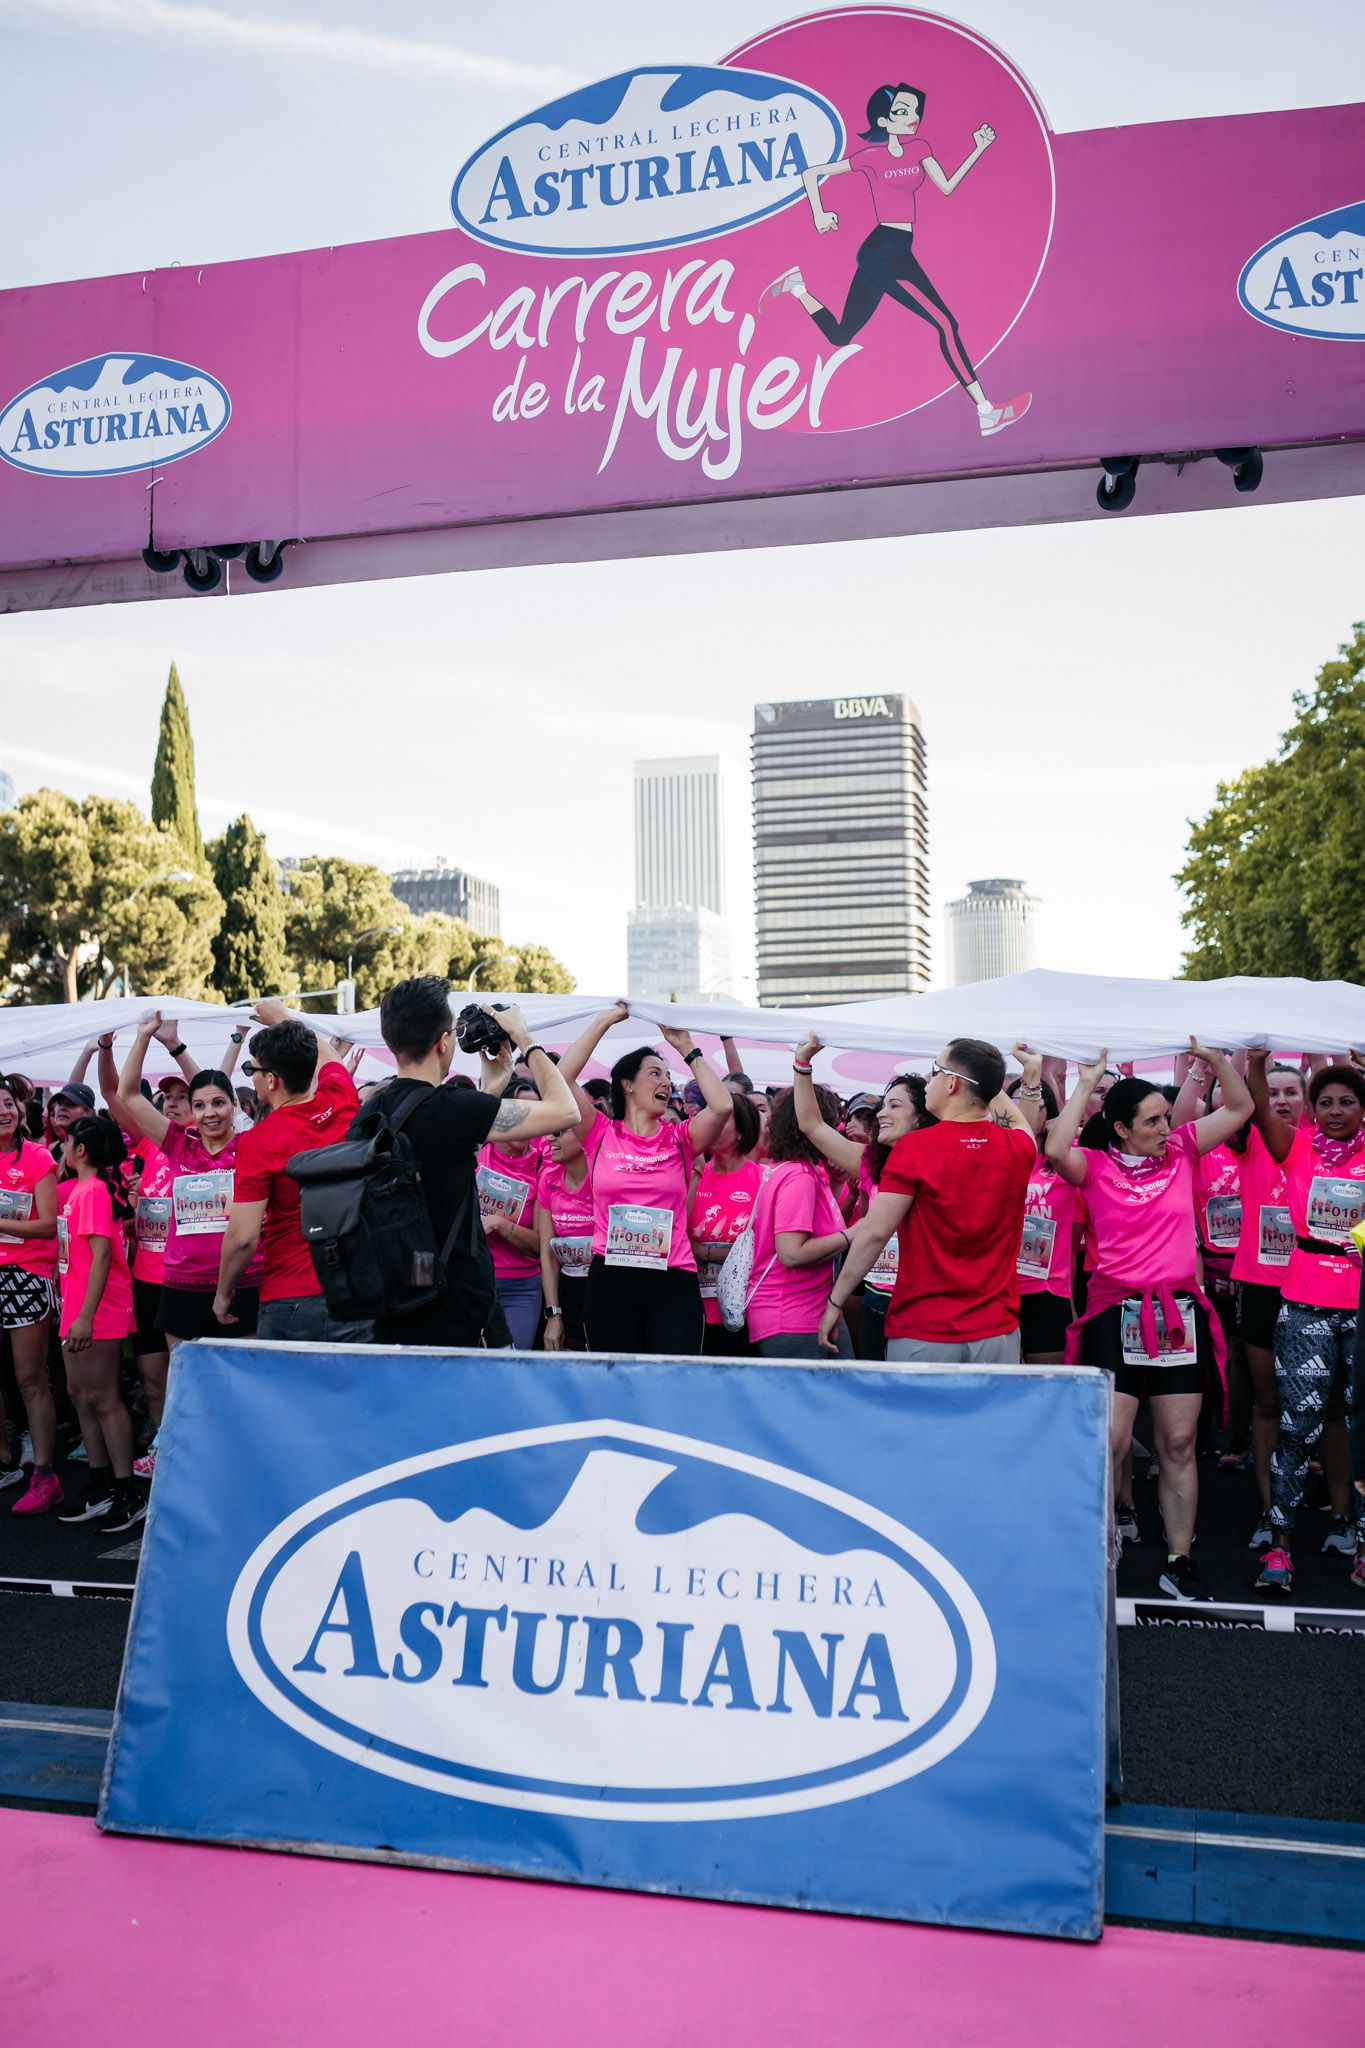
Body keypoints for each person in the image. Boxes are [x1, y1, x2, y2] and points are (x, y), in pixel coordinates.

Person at [1046, 1043, 1253, 1604]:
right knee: (1109, 1441)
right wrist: (1086, 1083)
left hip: (1176, 1314)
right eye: (1154, 1120)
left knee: (1180, 1443)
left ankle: (1178, 1561)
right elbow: (1056, 1145)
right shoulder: (1094, 1167)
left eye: (1167, 1117)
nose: (1168, 1126)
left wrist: (1214, 1059)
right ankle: (1098, 1542)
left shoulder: (1184, 1150)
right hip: (1115, 1312)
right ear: (1120, 1128)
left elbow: (1237, 1108)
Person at [761, 82, 1028, 438]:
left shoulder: (920, 148)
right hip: (881, 250)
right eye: (903, 111)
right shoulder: (870, 157)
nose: (913, 118)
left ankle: (796, 288)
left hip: (900, 248)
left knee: (841, 335)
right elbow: (812, 174)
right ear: (885, 120)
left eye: (915, 111)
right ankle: (985, 411)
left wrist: (977, 148)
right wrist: (819, 214)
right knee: (945, 325)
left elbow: (946, 186)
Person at [347, 978, 577, 1349]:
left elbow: (443, 1155)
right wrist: (523, 1037)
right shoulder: (451, 1108)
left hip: (397, 1302)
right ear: (443, 1042)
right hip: (462, 1310)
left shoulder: (371, 1110)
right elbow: (565, 1111)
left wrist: (490, 1090)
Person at [822, 1039, 1036, 1364]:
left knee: (920, 1416)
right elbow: (1020, 1122)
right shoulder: (1017, 1145)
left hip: (925, 1329)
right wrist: (987, 1078)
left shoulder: (914, 1149)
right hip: (997, 1333)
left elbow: (875, 1233)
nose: (927, 1079)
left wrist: (836, 1302)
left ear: (952, 1083)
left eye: (935, 1071)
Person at [1249, 1054, 1365, 1593]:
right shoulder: (1296, 1146)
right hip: (1305, 1305)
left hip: (1361, 1306)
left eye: (1347, 1101)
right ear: (1313, 1111)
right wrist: (1254, 1062)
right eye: (1326, 1103)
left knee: (1362, 1427)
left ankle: (1361, 1545)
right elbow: (1255, 1104)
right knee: (1298, 1427)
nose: (1336, 1110)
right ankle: (1279, 1549)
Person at [557, 1004, 733, 1356]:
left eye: (668, 1077)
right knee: (617, 1385)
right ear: (628, 1085)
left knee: (672, 1384)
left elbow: (722, 1107)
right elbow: (560, 1079)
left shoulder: (681, 1138)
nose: (666, 1082)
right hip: (612, 1281)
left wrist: (686, 1048)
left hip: (672, 1280)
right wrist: (603, 1022)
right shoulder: (599, 1132)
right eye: (655, 1073)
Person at [212, 1004, 372, 1345]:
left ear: (271, 1080)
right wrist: (284, 1017)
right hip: (358, 1287)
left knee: (290, 1398)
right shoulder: (342, 1098)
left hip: (293, 1295)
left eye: (251, 1069)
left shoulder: (258, 1141)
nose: (251, 1077)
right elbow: (326, 1051)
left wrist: (224, 1293)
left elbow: (242, 1238)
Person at [114, 1013, 264, 1346]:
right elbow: (128, 1094)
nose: (209, 1112)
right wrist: (142, 1037)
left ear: (233, 1107)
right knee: (187, 1386)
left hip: (243, 1284)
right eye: (199, 1105)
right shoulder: (179, 1143)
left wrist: (177, 1047)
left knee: (241, 1389)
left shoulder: (252, 1146)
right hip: (181, 1286)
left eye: (218, 1103)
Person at [791, 1038, 930, 1361]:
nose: (882, 1113)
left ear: (921, 1118)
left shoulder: (940, 1162)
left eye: (895, 1106)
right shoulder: (871, 1163)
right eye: (884, 1105)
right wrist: (802, 1064)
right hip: (875, 1300)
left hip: (922, 1307)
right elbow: (811, 1125)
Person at [1230, 1062, 1307, 1546]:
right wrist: (1243, 1062)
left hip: (1320, 1287)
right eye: (1272, 1092)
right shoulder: (1250, 1135)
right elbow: (1197, 1112)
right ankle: (1268, 1508)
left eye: (1291, 1092)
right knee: (1268, 1402)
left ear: (1308, 1099)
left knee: (1331, 1409)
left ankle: (1341, 1514)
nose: (1280, 1100)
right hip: (1259, 1286)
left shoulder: (1325, 1143)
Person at [52, 1118, 141, 1532]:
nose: (63, 1147)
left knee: (104, 1398)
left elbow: (103, 1256)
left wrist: (86, 1315)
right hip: (77, 1306)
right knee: (79, 1395)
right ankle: (101, 1481)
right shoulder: (80, 1191)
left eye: (67, 1141)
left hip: (98, 1309)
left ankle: (127, 1490)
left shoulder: (92, 1192)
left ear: (82, 1150)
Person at [95, 1033, 173, 1475]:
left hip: (189, 1282)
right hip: (146, 1279)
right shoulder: (153, 1145)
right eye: (169, 1099)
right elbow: (111, 1091)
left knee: (191, 1380)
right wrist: (107, 1049)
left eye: (186, 1098)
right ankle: (163, 1455)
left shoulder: (202, 1154)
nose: (175, 1105)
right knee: (152, 1378)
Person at [745, 1082, 855, 1359]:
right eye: (833, 1122)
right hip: (793, 1317)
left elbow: (819, 1227)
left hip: (805, 1313)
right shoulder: (799, 1177)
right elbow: (792, 1252)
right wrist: (853, 1234)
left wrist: (838, 1183)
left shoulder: (802, 1171)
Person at [0, 1082, 61, 1513]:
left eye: (8, 1104)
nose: (4, 1112)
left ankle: (44, 1475)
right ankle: (5, 1460)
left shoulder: (37, 1157)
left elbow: (48, 1225)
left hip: (25, 1275)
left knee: (29, 1378)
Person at [474, 1037, 547, 1350]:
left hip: (521, 1286)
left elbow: (541, 1246)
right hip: (474, 1282)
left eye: (535, 1112)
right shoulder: (477, 1152)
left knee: (512, 1369)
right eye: (519, 1111)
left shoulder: (545, 1162)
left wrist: (501, 1225)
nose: (528, 1120)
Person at [687, 1091, 763, 1355]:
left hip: (744, 1311)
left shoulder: (764, 1180)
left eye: (722, 1119)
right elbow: (675, 1237)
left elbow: (766, 1250)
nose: (712, 1124)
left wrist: (707, 1253)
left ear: (742, 1130)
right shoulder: (691, 1175)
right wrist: (694, 1175)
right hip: (693, 1311)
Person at [539, 1120, 595, 1354]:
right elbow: (547, 1252)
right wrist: (554, 1314)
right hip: (569, 1293)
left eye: (558, 1133)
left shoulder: (604, 1178)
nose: (550, 1139)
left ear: (583, 1137)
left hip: (607, 1293)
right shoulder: (548, 1179)